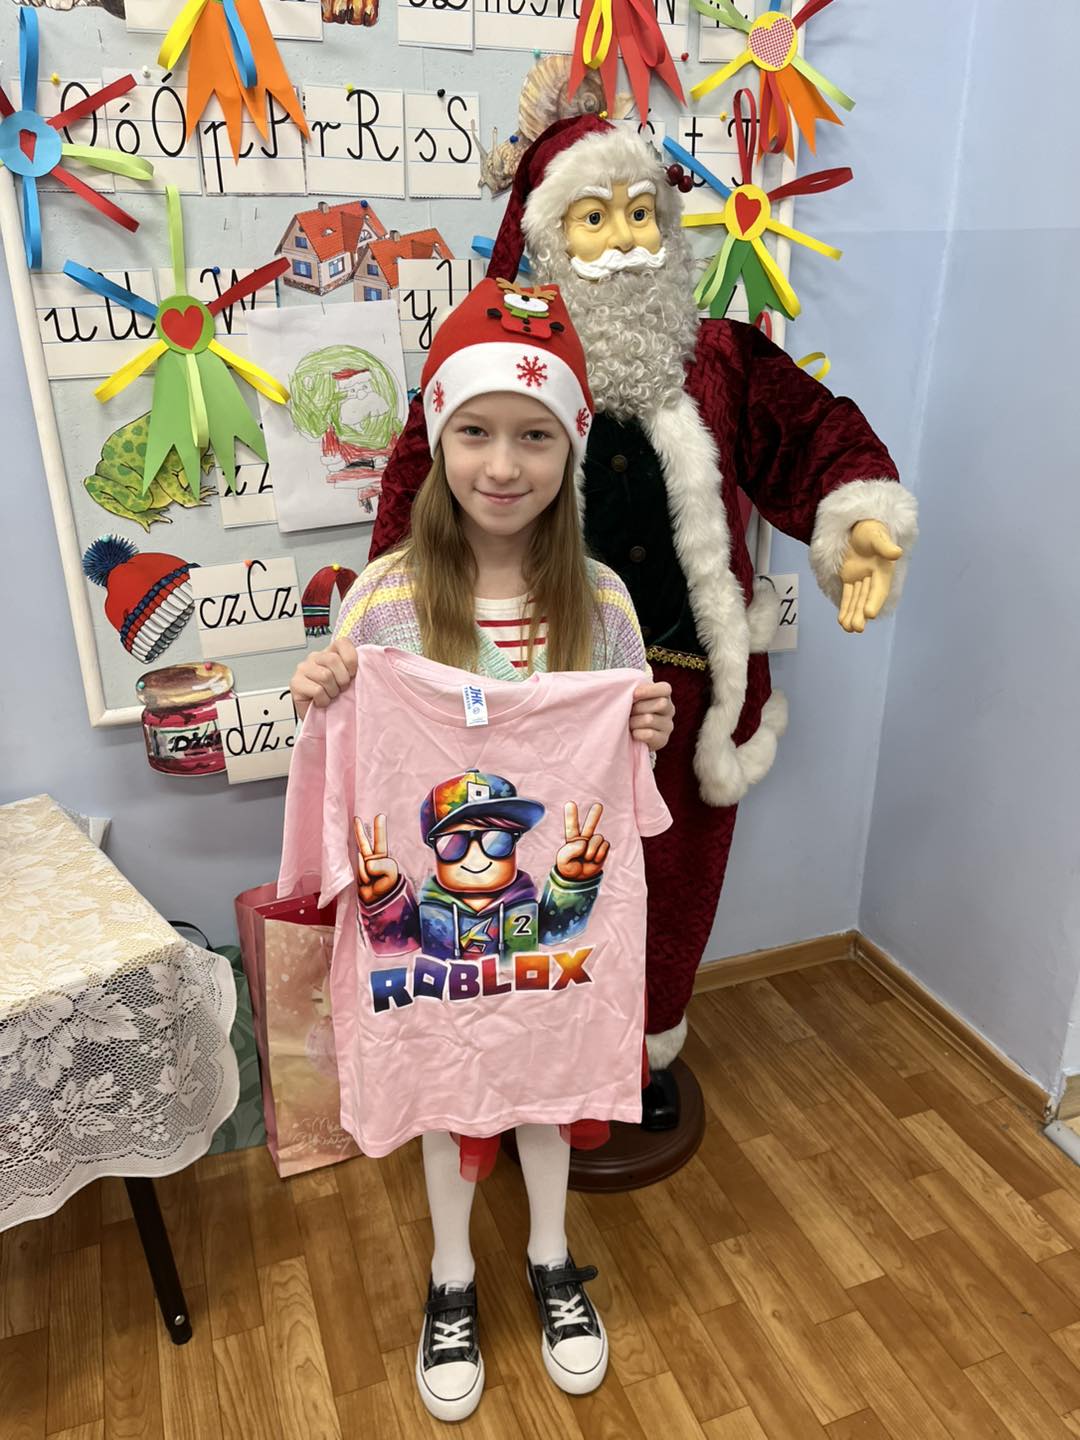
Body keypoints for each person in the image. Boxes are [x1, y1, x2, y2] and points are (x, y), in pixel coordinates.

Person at [366, 116, 920, 1127]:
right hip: (533, 693)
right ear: (545, 237)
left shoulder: (722, 360)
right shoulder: (498, 367)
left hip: (689, 692)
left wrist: (858, 519)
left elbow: (816, 433)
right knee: (529, 875)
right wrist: (393, 669)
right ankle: (532, 1059)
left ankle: (640, 1054)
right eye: (593, 217)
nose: (624, 240)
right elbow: (414, 509)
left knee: (671, 888)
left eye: (640, 213)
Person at [286, 277, 674, 1423]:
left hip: (551, 936)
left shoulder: (603, 603)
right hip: (436, 943)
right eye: (476, 432)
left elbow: (622, 770)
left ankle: (552, 1256)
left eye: (535, 436)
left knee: (550, 1077)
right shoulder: (385, 601)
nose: (503, 465)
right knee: (438, 1075)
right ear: (439, 436)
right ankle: (451, 1275)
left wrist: (643, 724)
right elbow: (348, 754)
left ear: (571, 447)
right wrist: (323, 695)